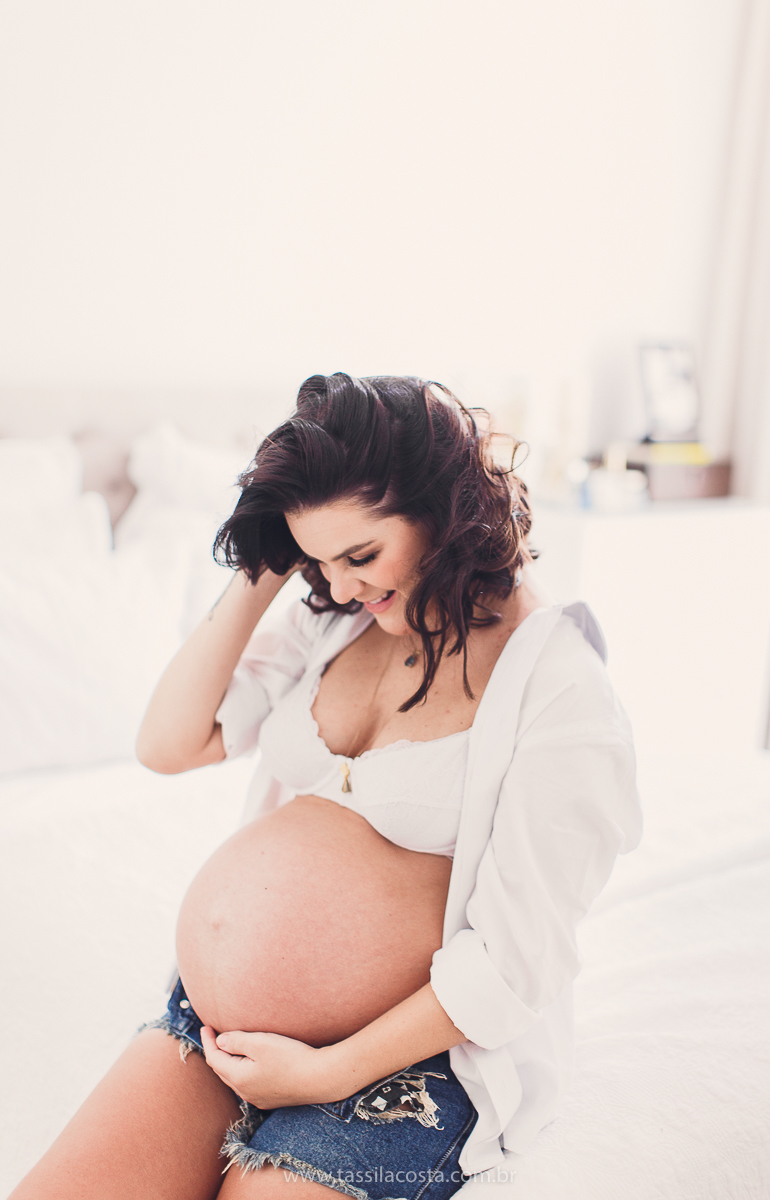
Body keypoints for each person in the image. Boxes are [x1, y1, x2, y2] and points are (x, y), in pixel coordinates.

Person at [11, 374, 641, 1200]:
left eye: (361, 555)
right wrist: (261, 572)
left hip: (410, 1065)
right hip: (220, 1030)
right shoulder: (333, 619)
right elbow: (169, 743)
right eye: (318, 559)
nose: (341, 584)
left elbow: (515, 964)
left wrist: (322, 1073)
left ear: (442, 515)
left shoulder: (558, 684)